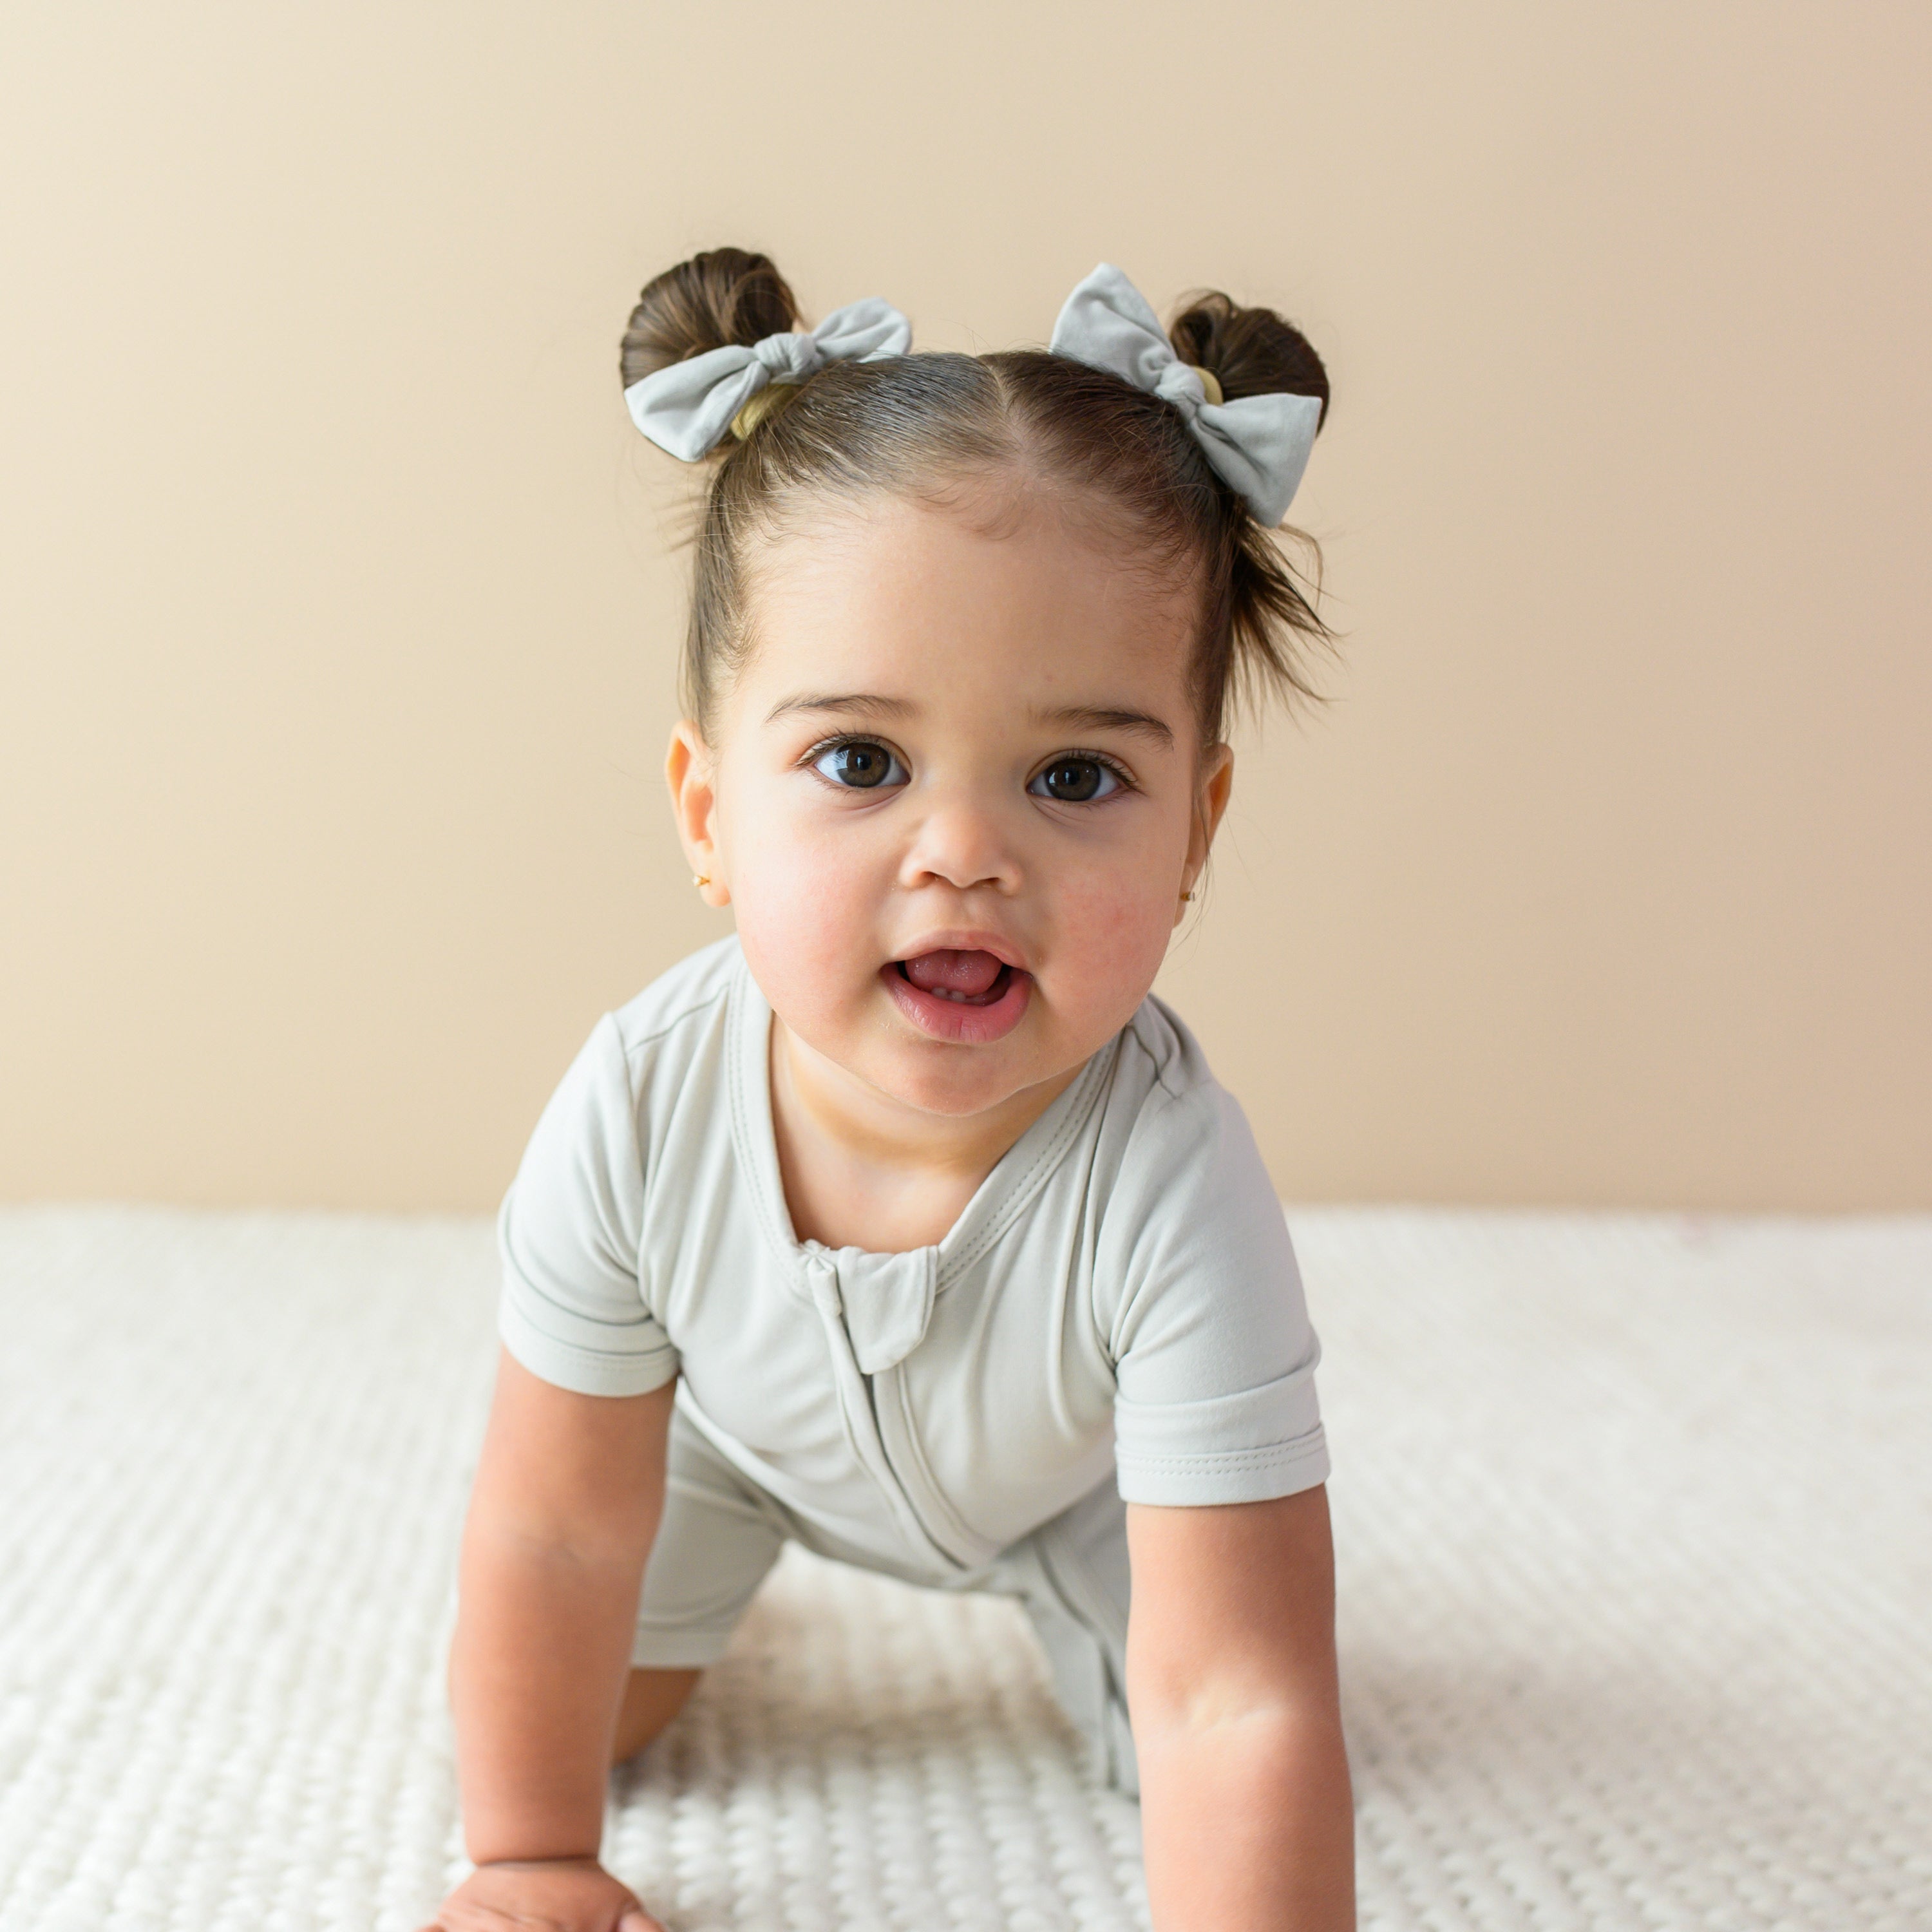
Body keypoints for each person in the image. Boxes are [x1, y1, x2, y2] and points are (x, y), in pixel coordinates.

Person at [423, 249, 1355, 1932]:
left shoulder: (1171, 1181)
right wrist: (530, 1857)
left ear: (1197, 829)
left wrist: (1230, 1743)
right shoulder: (641, 1106)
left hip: (1075, 1489)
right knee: (575, 1702)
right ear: (710, 814)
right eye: (861, 762)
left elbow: (1241, 1695)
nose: (966, 854)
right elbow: (556, 1530)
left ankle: (1064, 1606)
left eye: (1077, 776)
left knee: (1192, 1749)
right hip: (730, 1453)